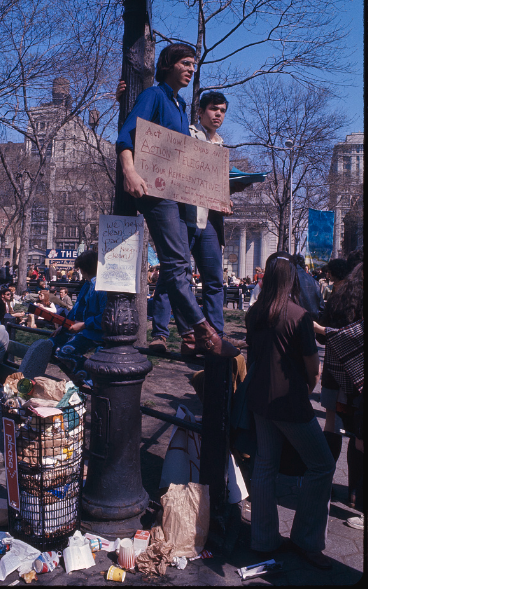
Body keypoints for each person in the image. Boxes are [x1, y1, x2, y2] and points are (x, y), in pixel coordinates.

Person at [115, 43, 225, 355]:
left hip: (176, 194)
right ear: (168, 65)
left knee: (179, 264)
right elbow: (126, 135)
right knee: (177, 262)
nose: (191, 69)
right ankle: (202, 330)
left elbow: (187, 158)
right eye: (186, 63)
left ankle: (193, 333)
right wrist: (129, 172)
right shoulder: (153, 95)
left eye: (193, 64)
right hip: (152, 189)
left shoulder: (178, 106)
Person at [242, 251, 336, 569]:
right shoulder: (298, 316)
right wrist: (306, 391)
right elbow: (314, 371)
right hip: (289, 402)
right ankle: (307, 540)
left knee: (265, 467)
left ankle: (263, 539)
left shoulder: (255, 314)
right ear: (292, 278)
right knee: (321, 465)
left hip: (258, 399)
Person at [314, 258, 363, 528]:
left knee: (330, 425)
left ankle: (324, 483)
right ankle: (355, 495)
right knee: (359, 434)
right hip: (358, 376)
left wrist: (326, 331)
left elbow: (322, 336)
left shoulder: (337, 296)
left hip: (334, 369)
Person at [50, 249, 107, 381]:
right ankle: (79, 379)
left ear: (83, 269)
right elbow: (76, 308)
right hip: (80, 328)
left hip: (94, 332)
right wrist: (63, 325)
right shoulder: (87, 285)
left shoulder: (100, 287)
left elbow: (105, 316)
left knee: (65, 353)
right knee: (49, 346)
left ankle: (94, 381)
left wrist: (84, 325)